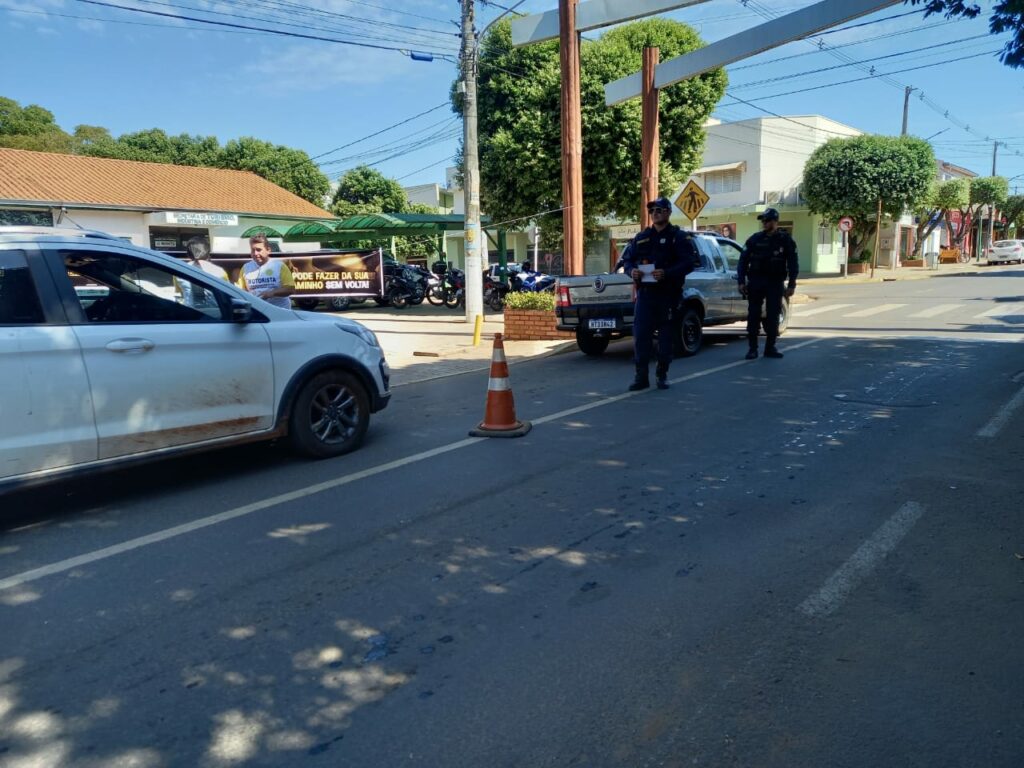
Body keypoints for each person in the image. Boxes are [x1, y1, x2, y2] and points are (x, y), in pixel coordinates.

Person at [622, 196, 700, 391]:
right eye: (652, 211)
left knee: (665, 338)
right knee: (641, 336)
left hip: (668, 295)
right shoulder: (642, 237)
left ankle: (662, 374)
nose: (654, 213)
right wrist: (632, 271)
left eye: (659, 210)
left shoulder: (678, 237)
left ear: (668, 212)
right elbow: (627, 260)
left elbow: (689, 263)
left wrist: (667, 273)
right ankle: (641, 377)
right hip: (646, 296)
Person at [737, 208, 798, 360]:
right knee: (753, 315)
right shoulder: (754, 239)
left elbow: (793, 262)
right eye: (763, 221)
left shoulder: (785, 239)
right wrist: (741, 281)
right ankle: (752, 349)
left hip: (775, 282)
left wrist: (792, 284)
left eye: (767, 220)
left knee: (773, 315)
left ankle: (770, 348)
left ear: (775, 221)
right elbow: (743, 260)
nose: (764, 223)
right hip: (756, 281)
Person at [237, 233, 295, 309]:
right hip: (258, 312)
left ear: (268, 250)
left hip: (280, 311)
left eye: (258, 250)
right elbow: (241, 291)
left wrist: (271, 293)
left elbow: (290, 289)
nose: (255, 253)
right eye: (252, 250)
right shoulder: (246, 268)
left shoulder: (279, 266)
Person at [176, 236, 227, 309]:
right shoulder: (220, 272)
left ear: (188, 254)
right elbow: (225, 294)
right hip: (215, 315)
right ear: (208, 253)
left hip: (190, 314)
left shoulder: (179, 271)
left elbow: (181, 292)